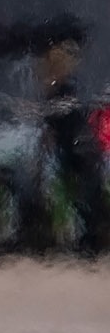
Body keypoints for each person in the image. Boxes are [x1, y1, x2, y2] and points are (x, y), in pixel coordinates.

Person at [33, 22, 109, 257]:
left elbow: (65, 118)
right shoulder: (63, 87)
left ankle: (94, 236)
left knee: (86, 194)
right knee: (79, 194)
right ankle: (91, 235)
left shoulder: (68, 87)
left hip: (77, 147)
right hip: (73, 147)